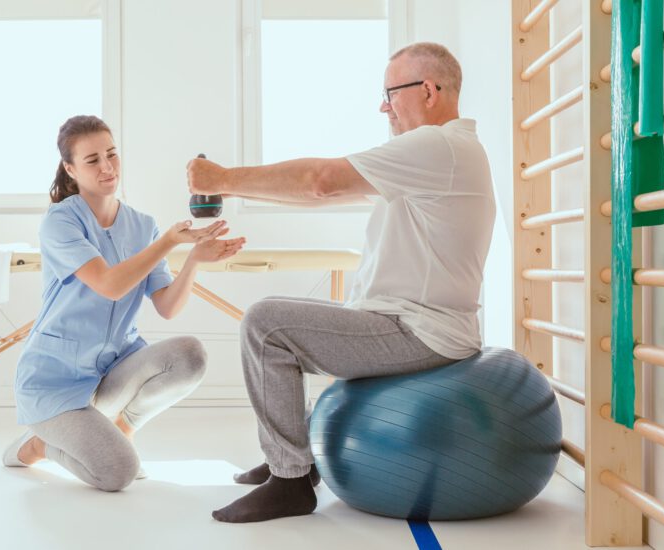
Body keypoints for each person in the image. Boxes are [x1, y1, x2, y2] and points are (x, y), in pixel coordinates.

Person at [187, 43, 496, 523]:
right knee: (285, 314)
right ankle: (294, 459)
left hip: (420, 331)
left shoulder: (439, 147)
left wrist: (222, 179)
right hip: (410, 323)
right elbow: (322, 193)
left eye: (390, 94)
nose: (384, 107)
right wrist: (234, 184)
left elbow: (320, 181)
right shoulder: (441, 154)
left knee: (266, 324)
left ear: (429, 91)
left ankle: (290, 480)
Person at [2, 115, 246, 491]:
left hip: (113, 371)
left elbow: (168, 307)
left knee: (189, 355)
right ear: (70, 169)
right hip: (55, 384)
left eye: (111, 154)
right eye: (92, 160)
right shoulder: (60, 222)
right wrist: (167, 242)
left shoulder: (142, 225)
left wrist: (194, 259)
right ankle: (41, 444)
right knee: (118, 473)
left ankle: (122, 427)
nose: (107, 167)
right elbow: (109, 285)